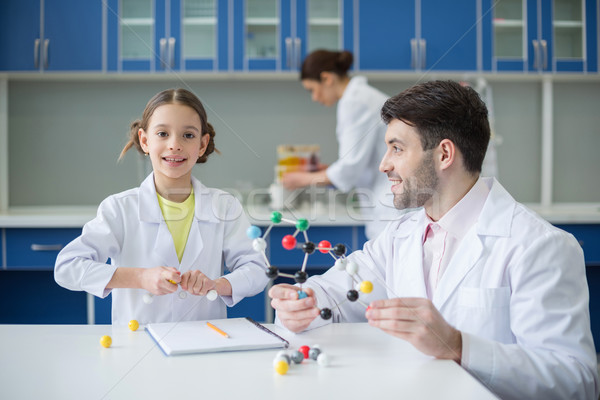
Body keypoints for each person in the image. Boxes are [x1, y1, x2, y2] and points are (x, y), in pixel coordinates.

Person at [269, 80, 599, 399]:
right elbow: (339, 290)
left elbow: (575, 380)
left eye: (396, 148)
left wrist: (458, 346)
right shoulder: (401, 235)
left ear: (443, 154)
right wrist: (305, 301)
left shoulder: (540, 246)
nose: (384, 165)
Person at [55, 88, 269, 325]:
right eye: (163, 133)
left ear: (202, 144)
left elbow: (257, 269)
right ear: (144, 140)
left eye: (188, 135)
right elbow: (67, 267)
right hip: (137, 346)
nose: (174, 145)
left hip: (205, 343)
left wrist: (216, 285)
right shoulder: (119, 209)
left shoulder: (225, 206)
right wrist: (140, 277)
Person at [282, 49, 400, 240]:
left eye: (312, 89)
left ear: (327, 78)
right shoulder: (359, 97)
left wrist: (302, 179)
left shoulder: (355, 102)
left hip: (390, 207)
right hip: (386, 202)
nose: (314, 97)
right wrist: (328, 171)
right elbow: (359, 162)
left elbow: (349, 168)